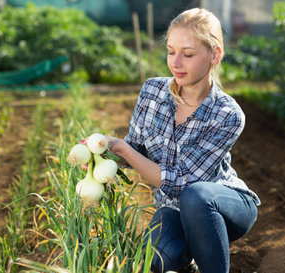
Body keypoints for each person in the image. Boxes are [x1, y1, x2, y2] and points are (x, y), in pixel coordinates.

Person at [107, 7, 260, 273]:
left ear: (215, 55)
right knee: (155, 259)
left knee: (196, 195)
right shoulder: (152, 91)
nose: (175, 63)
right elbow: (135, 149)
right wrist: (105, 153)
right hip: (172, 207)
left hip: (221, 205)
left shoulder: (227, 114)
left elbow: (183, 182)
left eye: (188, 54)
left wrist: (124, 150)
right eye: (170, 51)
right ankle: (187, 259)